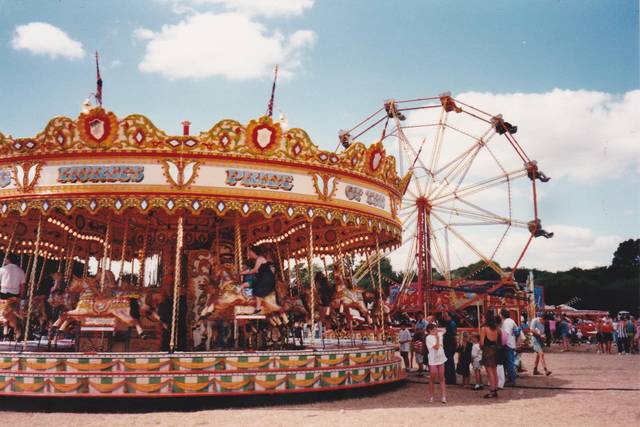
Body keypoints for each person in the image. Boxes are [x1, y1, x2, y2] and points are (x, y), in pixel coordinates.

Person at [240, 245, 275, 314]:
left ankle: (258, 308)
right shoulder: (258, 259)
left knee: (257, 288)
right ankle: (258, 308)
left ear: (253, 252)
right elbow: (256, 271)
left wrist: (242, 273)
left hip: (266, 278)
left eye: (250, 252)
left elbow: (254, 270)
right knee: (255, 286)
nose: (249, 253)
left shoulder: (260, 258)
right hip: (264, 277)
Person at [480, 310, 501, 398]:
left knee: (489, 372)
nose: (481, 319)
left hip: (487, 350)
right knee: (494, 370)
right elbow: (497, 340)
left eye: (483, 317)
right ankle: (495, 389)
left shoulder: (484, 329)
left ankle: (491, 390)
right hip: (495, 349)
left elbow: (481, 343)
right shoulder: (496, 328)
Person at [426, 323, 447, 404]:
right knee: (432, 378)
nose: (436, 330)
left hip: (441, 358)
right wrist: (437, 338)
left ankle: (443, 396)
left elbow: (445, 330)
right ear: (430, 331)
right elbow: (437, 347)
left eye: (435, 329)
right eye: (433, 329)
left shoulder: (438, 333)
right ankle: (431, 396)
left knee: (442, 378)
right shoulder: (429, 338)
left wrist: (438, 330)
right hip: (433, 360)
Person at [500, 308, 519, 386]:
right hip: (512, 343)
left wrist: (502, 343)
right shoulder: (511, 321)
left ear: (502, 315)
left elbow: (506, 334)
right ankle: (511, 378)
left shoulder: (506, 322)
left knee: (509, 362)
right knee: (510, 361)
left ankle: (512, 380)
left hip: (507, 344)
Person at [442, 312, 458, 385]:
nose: (445, 317)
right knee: (448, 361)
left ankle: (450, 379)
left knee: (450, 361)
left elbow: (454, 335)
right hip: (448, 344)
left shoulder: (452, 324)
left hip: (450, 345)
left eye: (446, 316)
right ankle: (449, 378)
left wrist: (456, 344)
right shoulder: (449, 323)